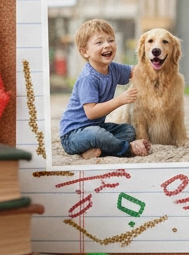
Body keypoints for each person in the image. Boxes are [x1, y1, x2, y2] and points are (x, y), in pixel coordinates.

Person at [58, 19, 151, 159]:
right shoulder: (88, 78)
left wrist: (153, 63)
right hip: (73, 135)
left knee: (128, 130)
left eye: (111, 40)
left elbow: (134, 71)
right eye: (99, 42)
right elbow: (91, 113)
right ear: (85, 52)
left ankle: (93, 151)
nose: (107, 45)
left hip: (97, 127)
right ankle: (128, 149)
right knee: (97, 134)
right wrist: (120, 100)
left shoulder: (113, 69)